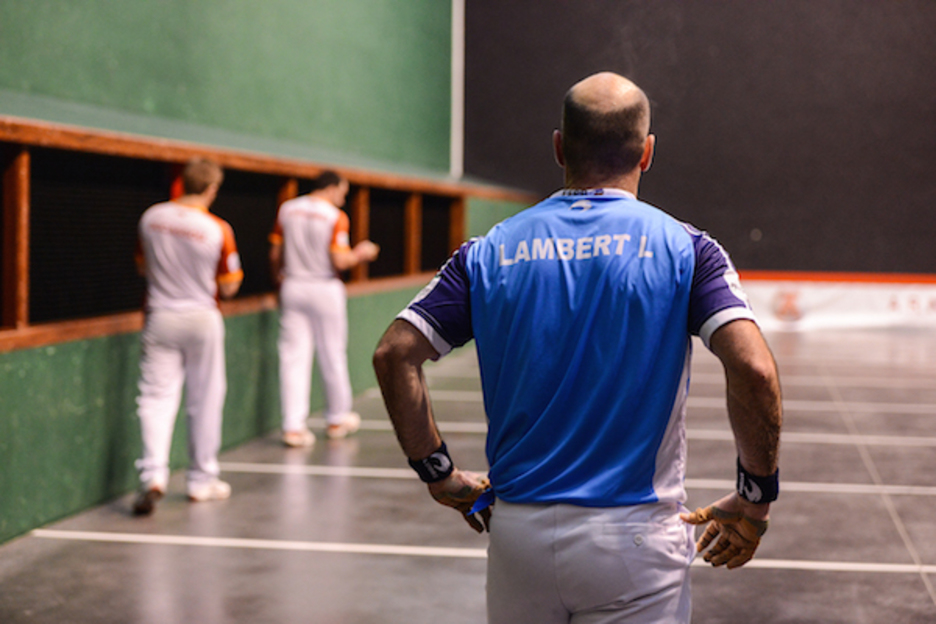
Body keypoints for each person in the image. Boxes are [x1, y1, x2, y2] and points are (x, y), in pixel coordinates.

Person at [373, 72, 782, 623]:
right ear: (647, 153)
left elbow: (394, 353)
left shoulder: (488, 251)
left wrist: (439, 473)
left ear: (560, 146)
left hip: (518, 536)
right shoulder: (688, 249)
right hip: (635, 541)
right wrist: (755, 494)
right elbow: (754, 369)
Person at [132, 157, 243, 515]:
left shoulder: (150, 217)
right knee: (205, 399)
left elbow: (141, 266)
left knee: (154, 397)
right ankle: (201, 480)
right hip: (201, 320)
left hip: (160, 317)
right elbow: (229, 286)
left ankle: (153, 475)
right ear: (211, 189)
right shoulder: (218, 229)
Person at [269, 171, 380, 447]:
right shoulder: (336, 216)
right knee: (332, 353)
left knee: (293, 358)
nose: (342, 199)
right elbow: (340, 260)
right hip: (324, 288)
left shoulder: (288, 209)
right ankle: (337, 418)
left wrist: (279, 279)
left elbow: (274, 253)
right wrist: (361, 253)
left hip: (292, 285)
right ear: (331, 188)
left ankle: (292, 427)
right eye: (342, 193)